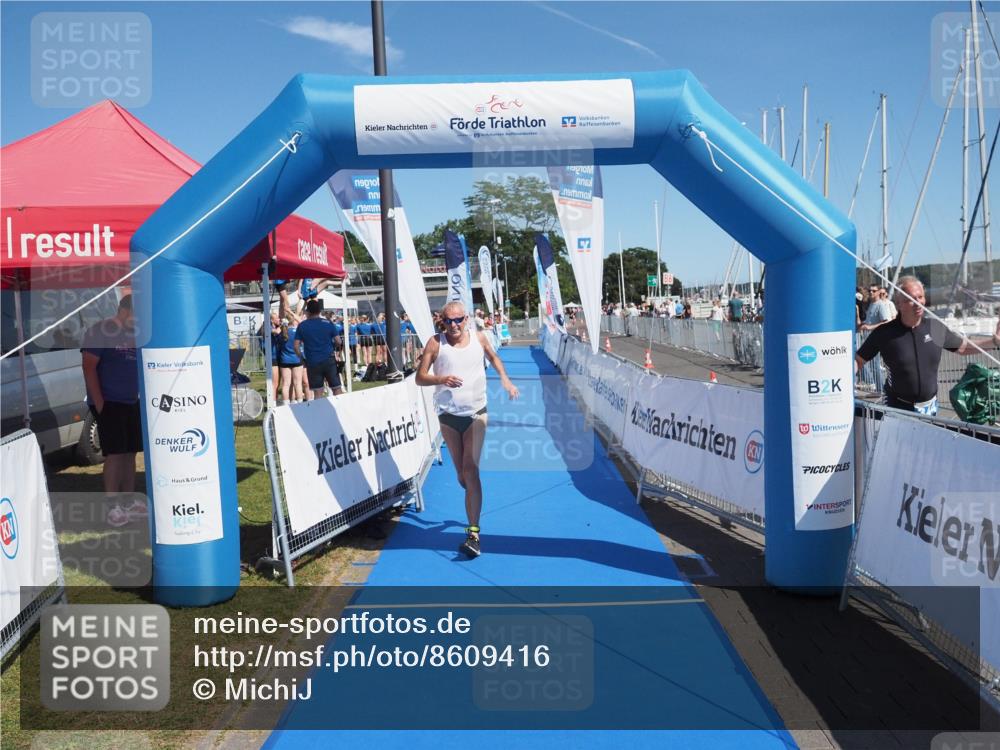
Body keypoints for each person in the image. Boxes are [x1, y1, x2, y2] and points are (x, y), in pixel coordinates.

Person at [415, 301, 520, 558]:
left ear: (467, 319)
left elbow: (493, 357)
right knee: (462, 475)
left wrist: (506, 380)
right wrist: (441, 379)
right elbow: (420, 377)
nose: (454, 325)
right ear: (442, 320)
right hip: (448, 416)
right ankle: (468, 487)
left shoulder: (480, 338)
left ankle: (473, 534)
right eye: (448, 321)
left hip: (476, 413)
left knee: (471, 470)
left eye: (458, 320)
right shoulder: (435, 343)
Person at [855, 276, 1000, 415]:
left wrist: (994, 342)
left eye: (920, 297)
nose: (917, 302)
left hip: (930, 407)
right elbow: (858, 361)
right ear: (899, 304)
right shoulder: (885, 333)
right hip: (897, 407)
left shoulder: (935, 327)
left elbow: (962, 347)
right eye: (911, 299)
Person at [81, 294, 146, 526]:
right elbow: (88, 367)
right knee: (115, 453)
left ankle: (128, 501)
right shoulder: (100, 331)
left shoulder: (134, 334)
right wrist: (100, 404)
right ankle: (113, 506)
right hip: (109, 402)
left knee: (130, 452)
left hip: (131, 402)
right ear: (126, 310)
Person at [294, 299, 344, 398]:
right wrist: (337, 351)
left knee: (318, 392)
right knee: (336, 388)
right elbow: (339, 341)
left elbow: (296, 346)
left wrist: (301, 359)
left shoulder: (302, 326)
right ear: (319, 311)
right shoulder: (328, 323)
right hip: (329, 360)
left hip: (312, 361)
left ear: (308, 312)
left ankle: (319, 413)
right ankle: (340, 411)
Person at [277, 312, 304, 403]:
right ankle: (300, 404)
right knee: (298, 384)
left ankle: (286, 404)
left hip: (284, 360)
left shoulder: (281, 332)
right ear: (293, 320)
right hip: (297, 359)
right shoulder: (297, 331)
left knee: (285, 384)